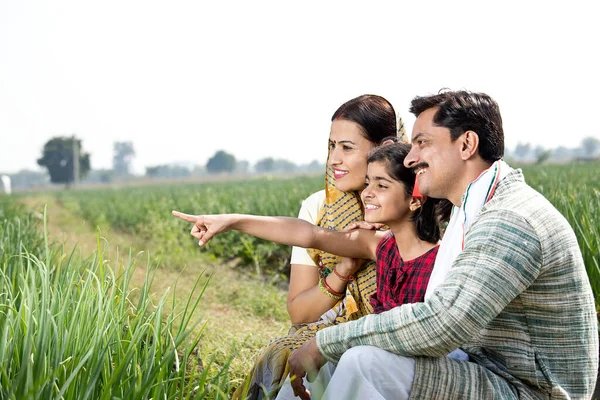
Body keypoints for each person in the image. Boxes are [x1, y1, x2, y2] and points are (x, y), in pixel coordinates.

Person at [262, 89, 598, 400]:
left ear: (466, 145)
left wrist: (325, 341)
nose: (410, 158)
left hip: (525, 389)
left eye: (422, 143)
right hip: (479, 368)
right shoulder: (469, 209)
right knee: (334, 361)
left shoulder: (510, 219)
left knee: (363, 361)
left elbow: (443, 323)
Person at [172, 142, 451, 394]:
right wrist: (231, 221)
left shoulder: (441, 262)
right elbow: (310, 235)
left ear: (415, 199)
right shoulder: (380, 246)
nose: (366, 193)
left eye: (381, 185)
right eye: (368, 183)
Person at [234, 94, 407, 399]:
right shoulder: (319, 207)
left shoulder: (415, 210)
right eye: (331, 146)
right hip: (330, 335)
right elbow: (299, 313)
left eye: (346, 148)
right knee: (289, 368)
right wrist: (342, 270)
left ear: (385, 147)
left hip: (389, 345)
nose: (333, 160)